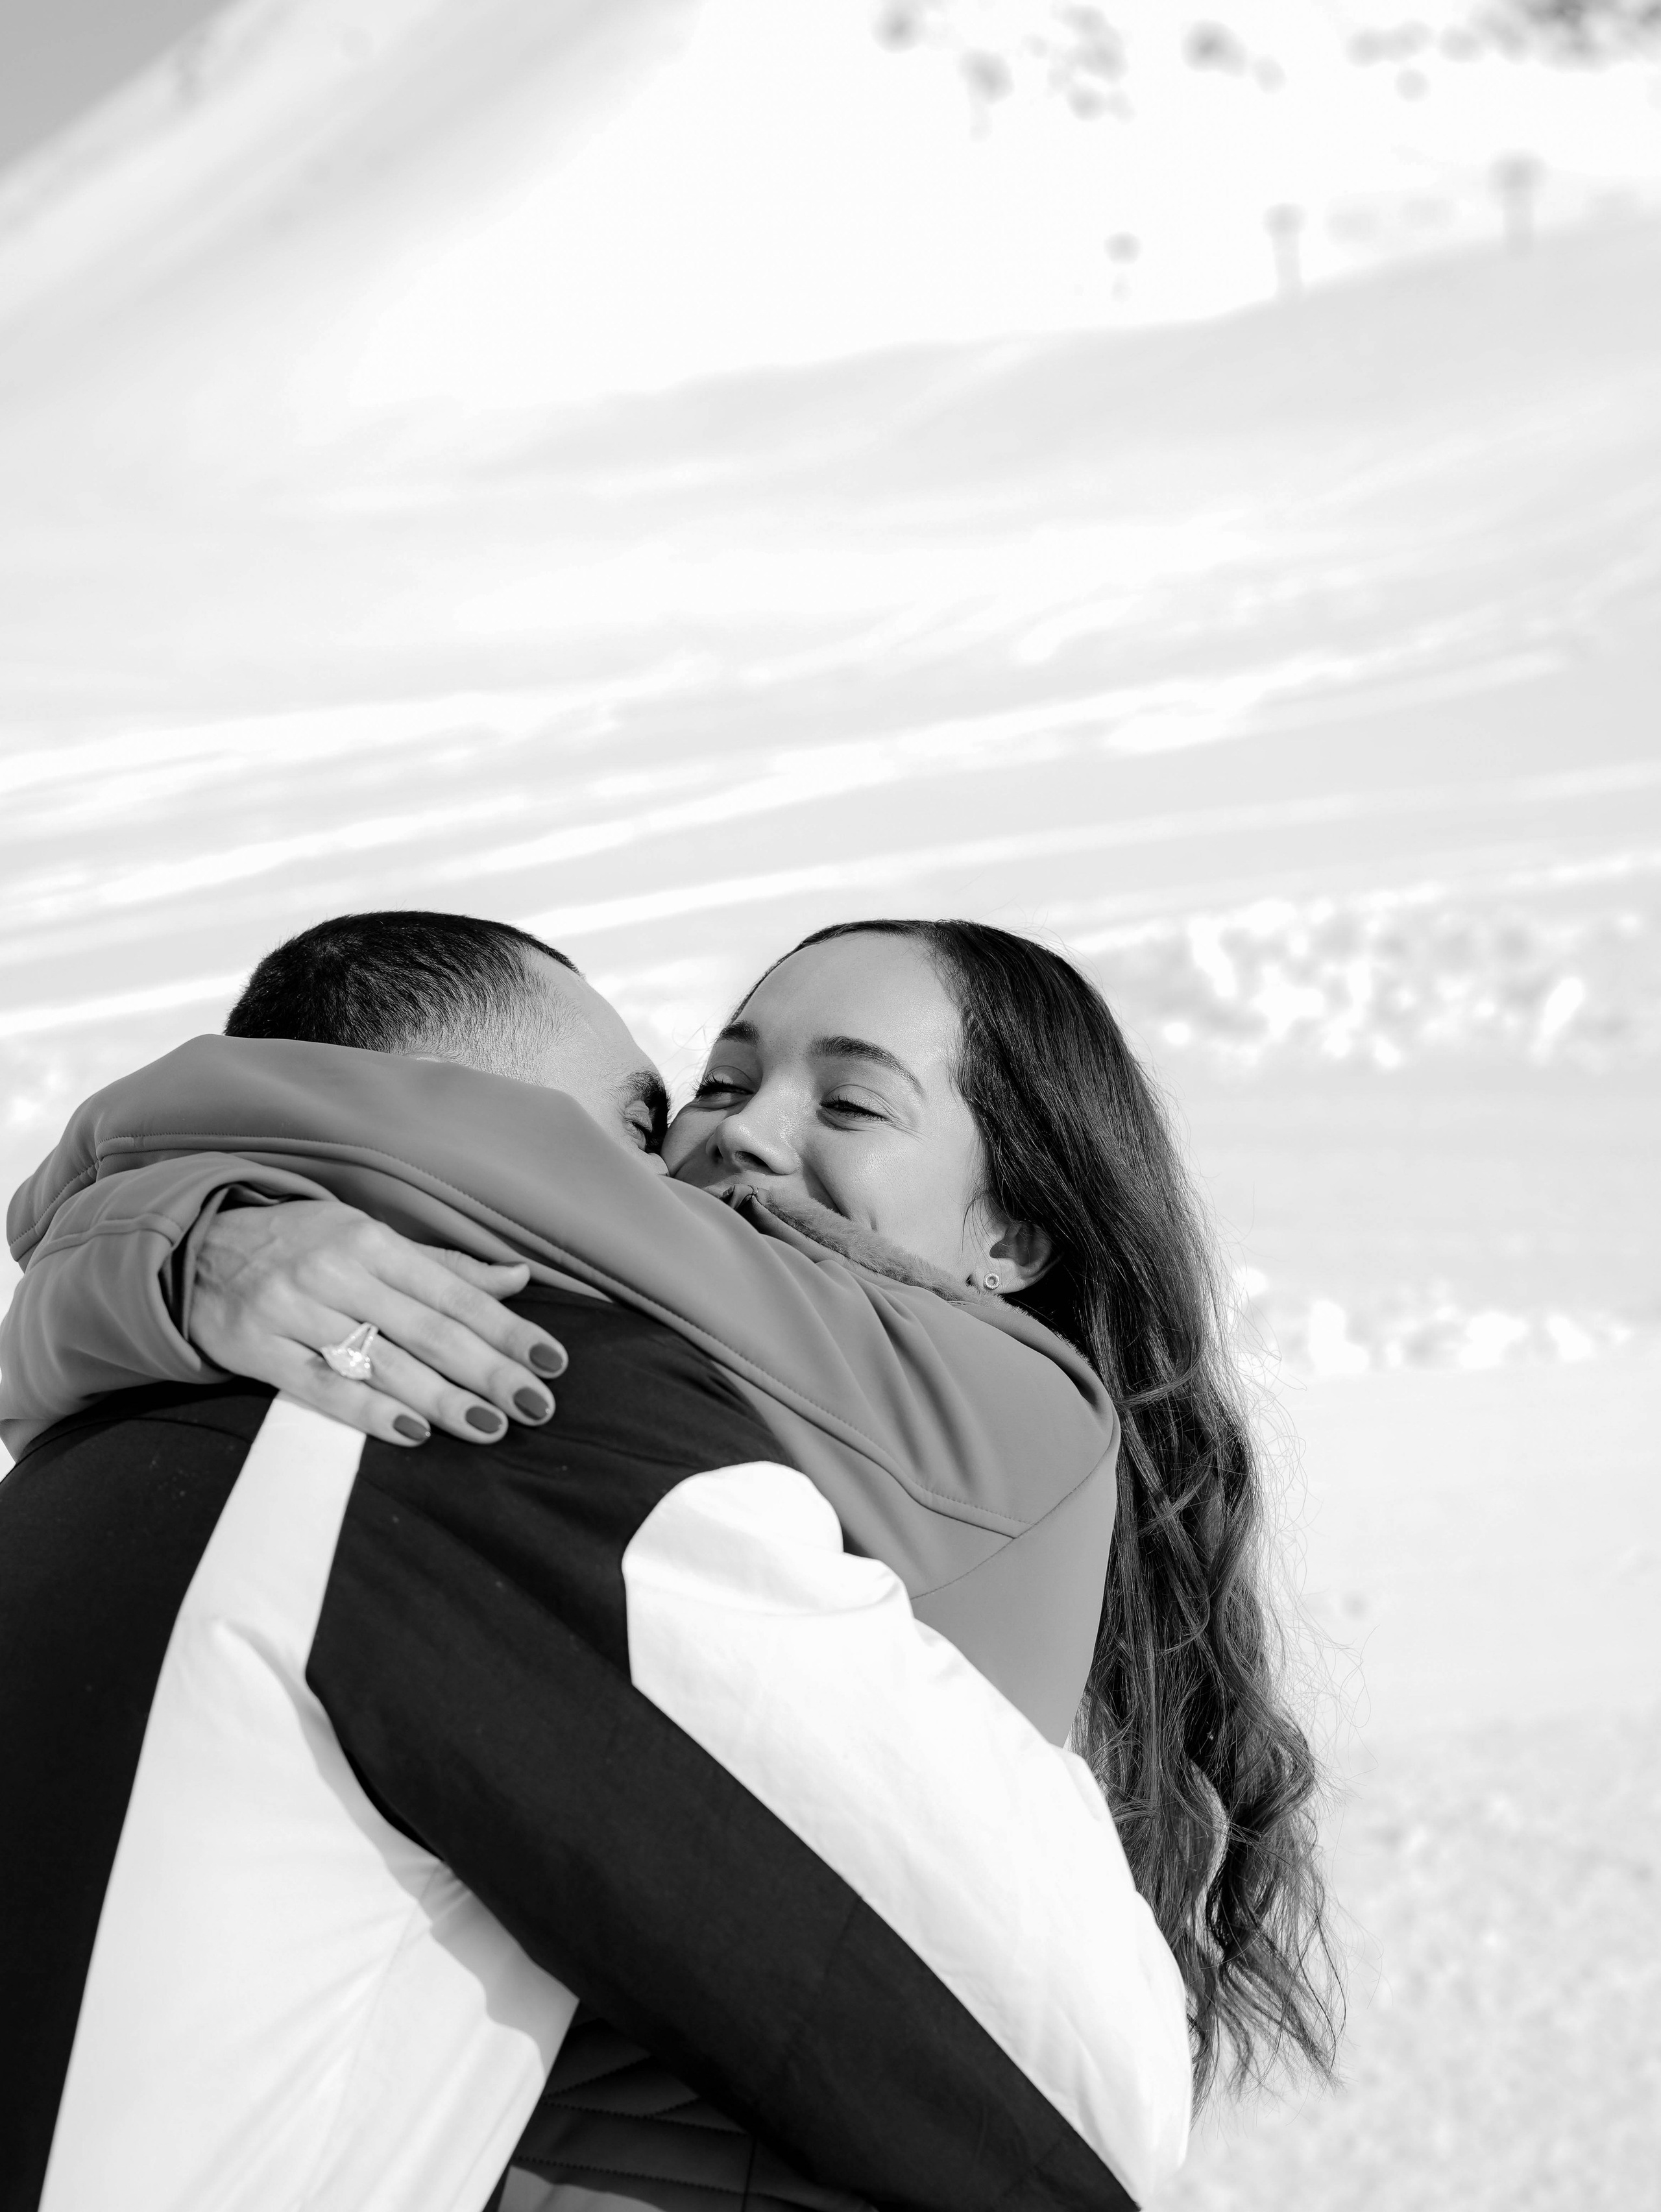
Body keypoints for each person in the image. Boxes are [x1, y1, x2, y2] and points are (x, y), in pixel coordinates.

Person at [4, 917, 1340, 2135]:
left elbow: (471, 1161)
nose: (740, 1139)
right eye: (715, 1084)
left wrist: (170, 1210)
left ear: (1013, 1240)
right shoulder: (704, 1378)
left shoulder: (990, 1402)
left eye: (853, 1099)